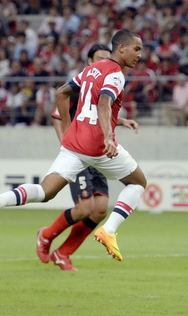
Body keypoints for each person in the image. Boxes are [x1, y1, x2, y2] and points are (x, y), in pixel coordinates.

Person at [0, 29, 147, 264]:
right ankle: (108, 231)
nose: (139, 54)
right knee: (138, 183)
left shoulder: (89, 70)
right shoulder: (116, 74)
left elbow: (62, 93)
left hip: (74, 144)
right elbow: (104, 103)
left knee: (46, 191)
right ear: (121, 48)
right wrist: (109, 137)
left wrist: (70, 127)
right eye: (136, 49)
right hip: (96, 146)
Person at [38, 43, 136, 271]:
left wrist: (122, 121)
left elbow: (103, 112)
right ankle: (46, 234)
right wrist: (67, 139)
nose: (105, 61)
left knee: (100, 209)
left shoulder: (107, 82)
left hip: (98, 153)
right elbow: (57, 113)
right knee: (84, 208)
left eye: (106, 57)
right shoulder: (81, 87)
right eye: (99, 58)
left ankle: (63, 253)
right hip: (79, 152)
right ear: (90, 62)